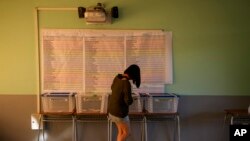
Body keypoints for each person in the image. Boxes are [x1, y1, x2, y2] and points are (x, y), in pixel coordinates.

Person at [108, 64, 141, 141]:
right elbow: (128, 101)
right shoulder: (126, 83)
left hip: (112, 111)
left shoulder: (117, 77)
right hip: (119, 113)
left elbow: (112, 88)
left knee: (121, 132)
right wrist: (133, 98)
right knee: (127, 132)